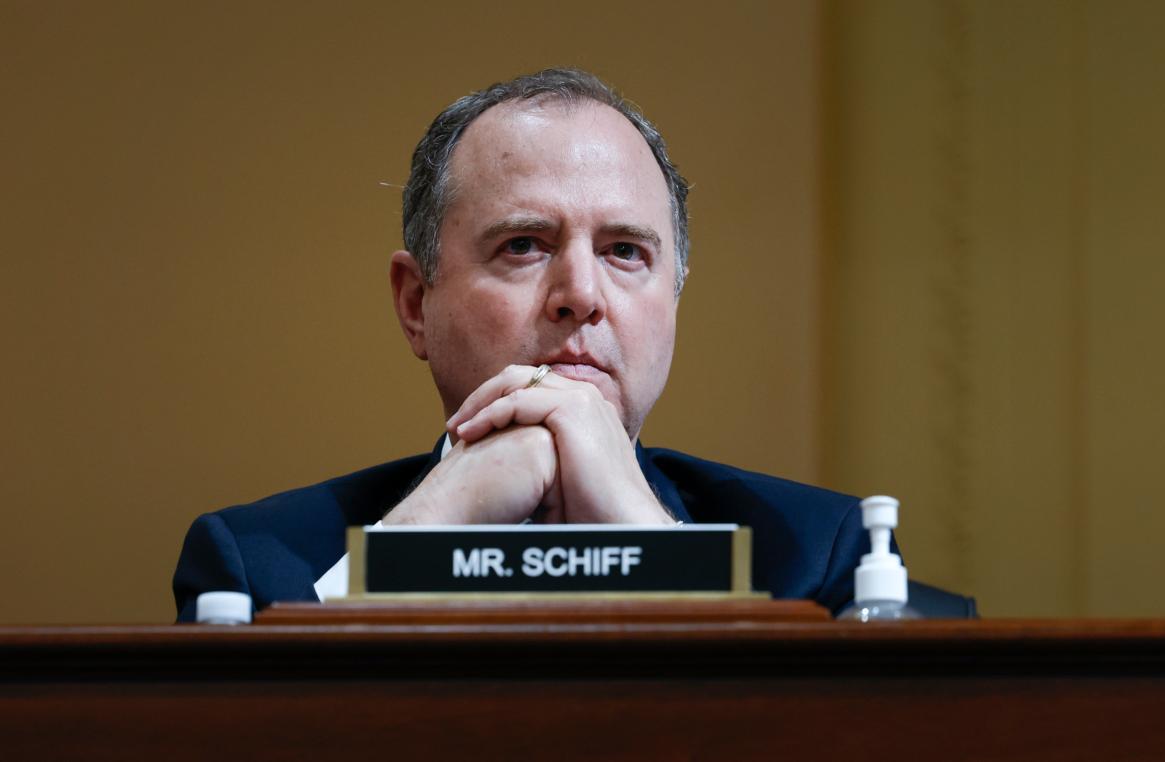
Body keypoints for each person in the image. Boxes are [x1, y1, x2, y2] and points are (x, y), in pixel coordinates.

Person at [172, 68, 873, 622]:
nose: (581, 293)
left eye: (624, 250)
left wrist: (652, 542)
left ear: (675, 298)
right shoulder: (260, 568)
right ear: (417, 304)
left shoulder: (819, 556)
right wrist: (413, 542)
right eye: (524, 246)